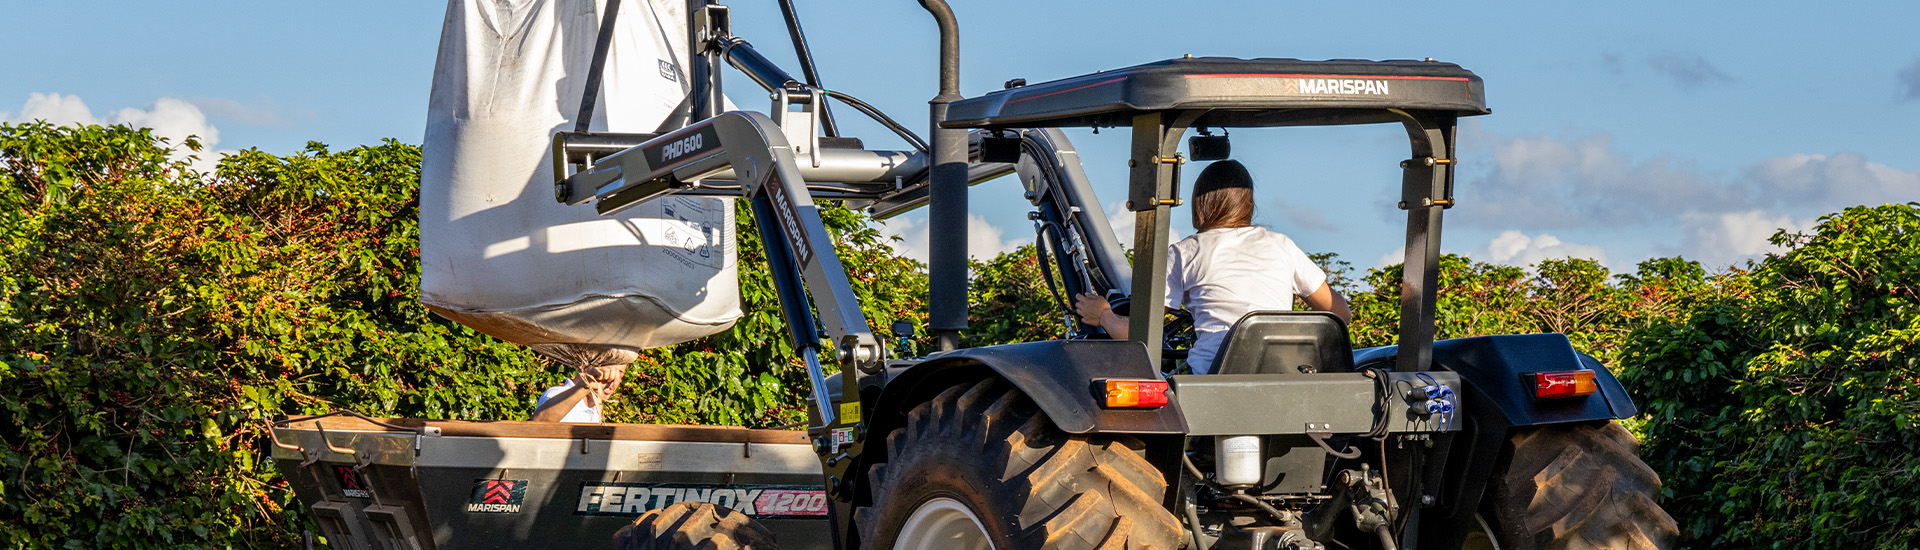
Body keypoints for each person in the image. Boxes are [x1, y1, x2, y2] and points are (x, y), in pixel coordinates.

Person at [1074, 160, 1352, 374]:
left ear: (1199, 204)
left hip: (1212, 378)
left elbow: (1141, 337)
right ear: (1248, 204)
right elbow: (1340, 313)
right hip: (1286, 375)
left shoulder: (1186, 252)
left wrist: (1104, 316)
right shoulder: (1282, 245)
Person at [531, 366, 624, 423]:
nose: (614, 381)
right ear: (583, 367)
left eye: (620, 374)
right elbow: (538, 424)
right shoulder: (558, 394)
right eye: (607, 372)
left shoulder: (594, 409)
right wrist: (585, 387)